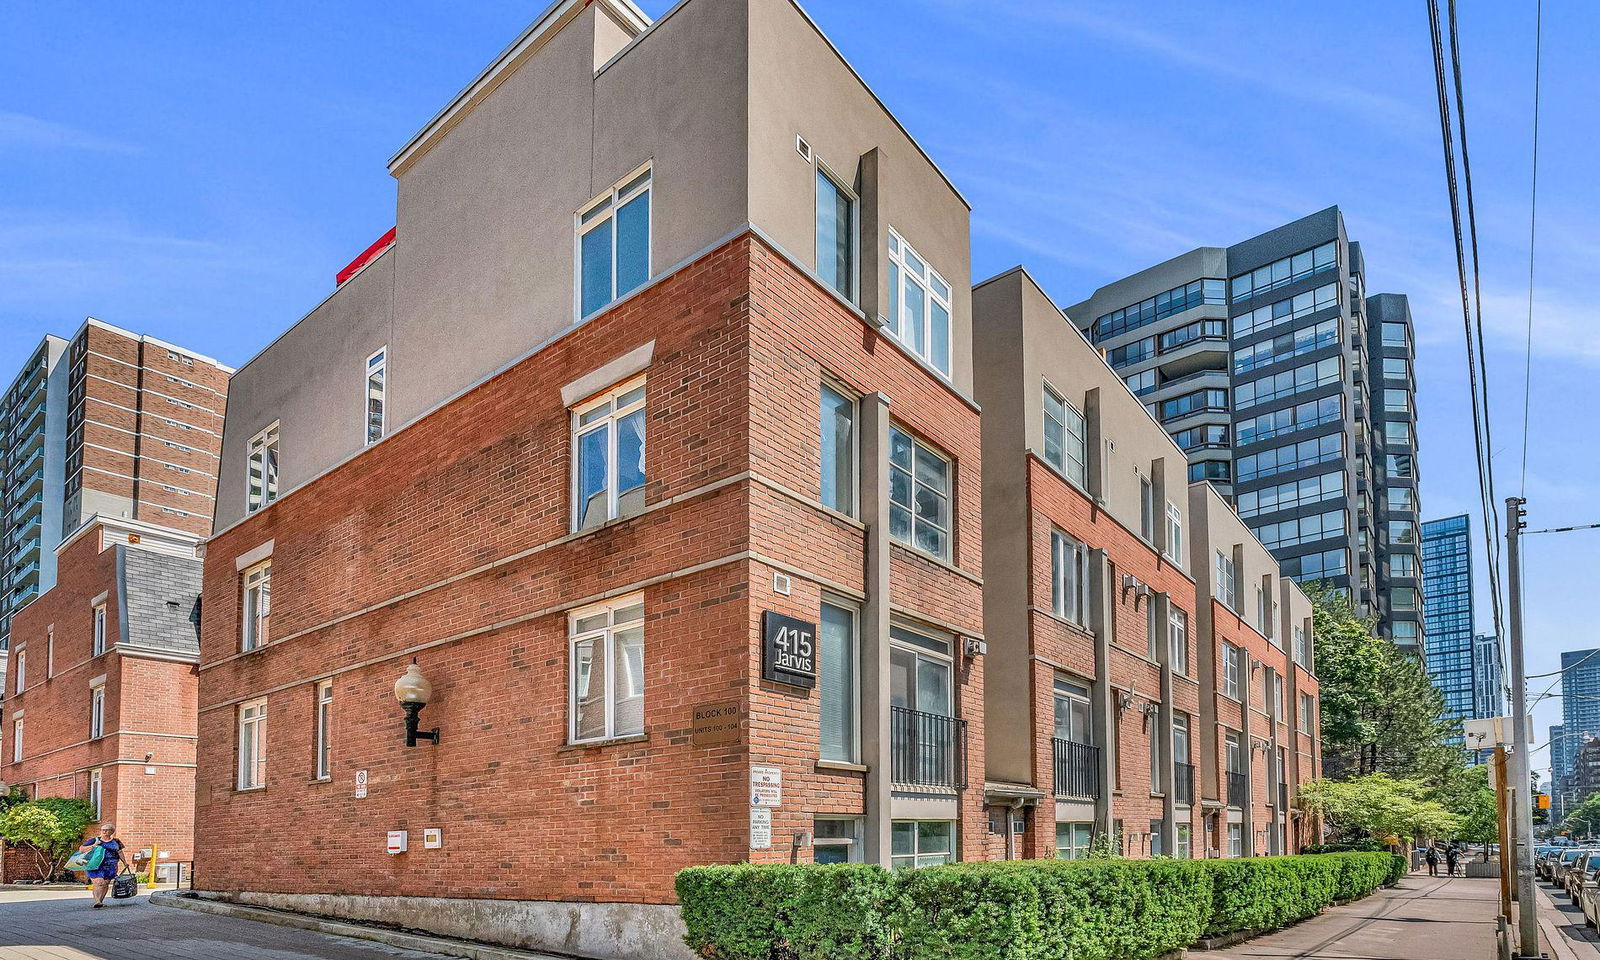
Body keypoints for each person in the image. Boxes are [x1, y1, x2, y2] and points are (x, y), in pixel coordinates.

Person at [79, 823, 130, 908]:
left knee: (105, 884)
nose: (104, 831)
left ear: (112, 831)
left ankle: (100, 901)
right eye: (103, 830)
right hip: (95, 865)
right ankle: (97, 901)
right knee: (98, 882)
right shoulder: (95, 840)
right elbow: (81, 849)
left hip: (111, 866)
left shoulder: (116, 841)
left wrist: (125, 862)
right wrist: (94, 845)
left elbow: (120, 852)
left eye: (106, 830)